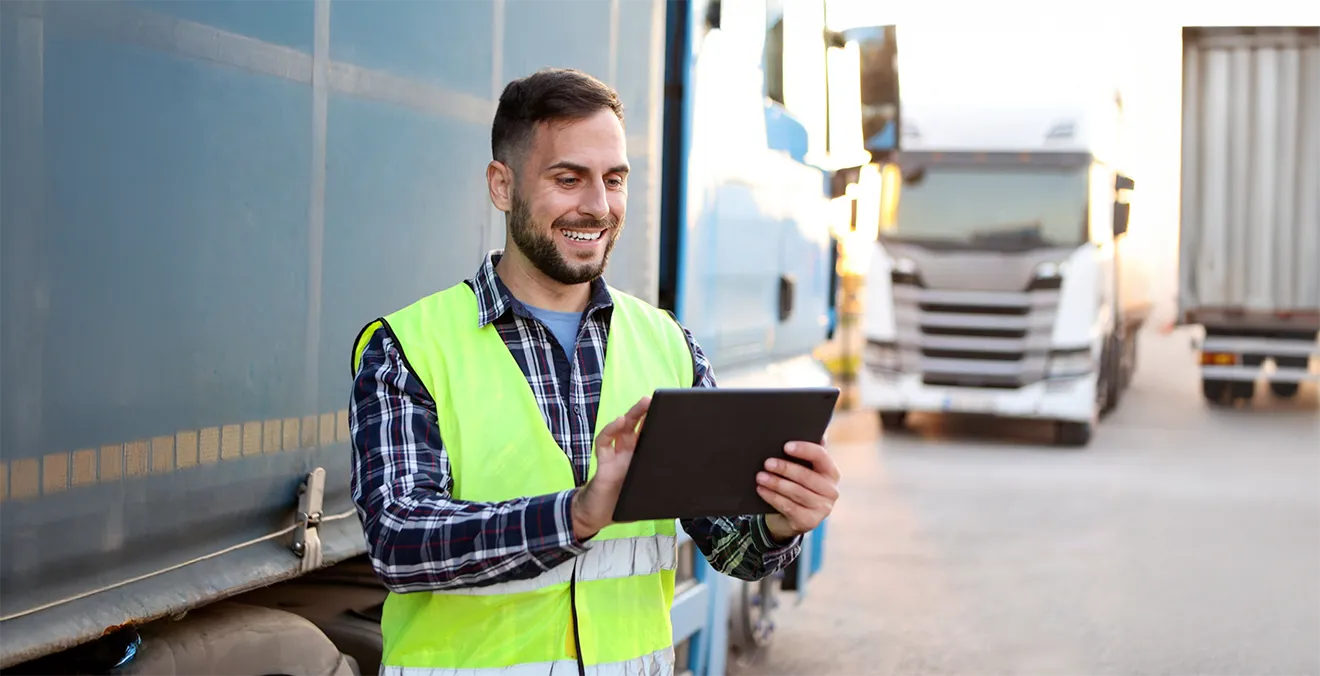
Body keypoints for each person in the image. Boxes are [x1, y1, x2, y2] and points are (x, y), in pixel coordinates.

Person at [348, 67, 841, 676]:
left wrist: (778, 519)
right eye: (568, 179)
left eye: (614, 180)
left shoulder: (667, 344)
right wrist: (576, 514)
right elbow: (400, 543)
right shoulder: (409, 347)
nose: (598, 206)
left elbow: (731, 545)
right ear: (502, 186)